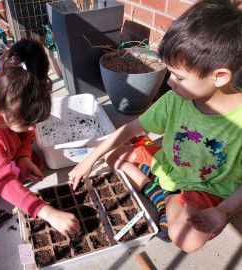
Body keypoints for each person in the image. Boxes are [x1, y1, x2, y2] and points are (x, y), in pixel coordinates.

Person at [68, 0, 242, 252]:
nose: (170, 83)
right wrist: (89, 160)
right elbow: (130, 129)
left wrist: (223, 211)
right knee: (112, 156)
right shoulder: (176, 98)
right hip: (170, 164)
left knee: (188, 239)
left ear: (220, 76)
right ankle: (161, 194)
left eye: (179, 77)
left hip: (205, 188)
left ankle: (168, 198)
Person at [0, 39, 80, 236]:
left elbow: (26, 132)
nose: (33, 128)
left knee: (34, 161)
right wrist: (48, 212)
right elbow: (4, 182)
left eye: (36, 121)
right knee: (5, 184)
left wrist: (23, 156)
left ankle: (2, 172)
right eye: (27, 123)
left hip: (1, 151)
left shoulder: (12, 94)